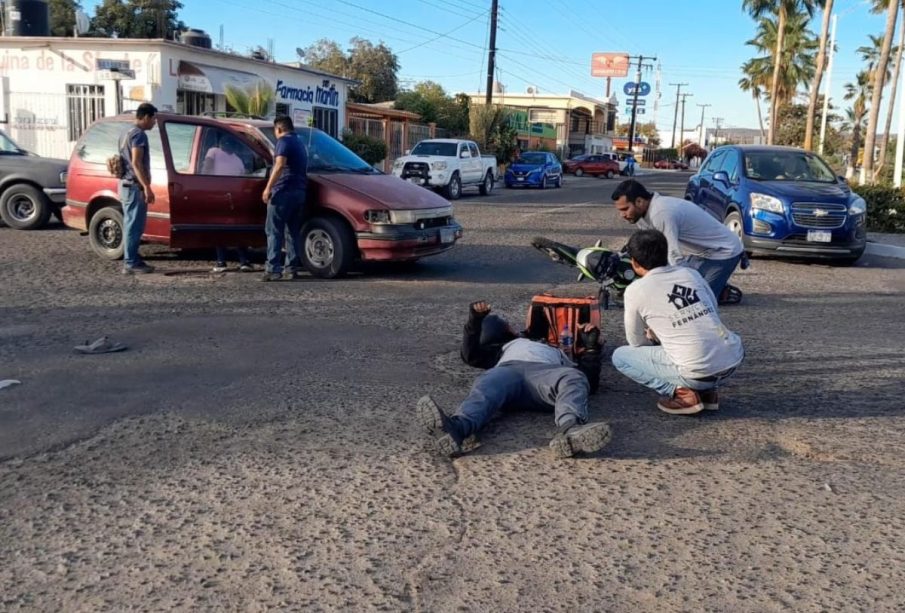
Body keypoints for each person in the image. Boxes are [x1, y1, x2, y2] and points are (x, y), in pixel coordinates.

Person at [416, 301, 612, 459]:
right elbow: (470, 354)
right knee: (486, 385)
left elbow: (588, 382)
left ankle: (570, 429)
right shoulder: (502, 349)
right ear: (506, 331)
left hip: (545, 377)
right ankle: (456, 429)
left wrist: (591, 349)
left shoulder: (557, 350)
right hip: (507, 374)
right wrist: (475, 321)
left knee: (574, 377)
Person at [611, 229, 744, 415]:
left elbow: (636, 342)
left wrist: (655, 337)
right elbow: (712, 308)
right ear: (665, 253)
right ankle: (707, 393)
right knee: (688, 343)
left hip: (698, 371)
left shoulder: (636, 290)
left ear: (634, 262)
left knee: (621, 357)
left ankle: (682, 393)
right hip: (732, 359)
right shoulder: (690, 274)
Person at [611, 179, 745, 304]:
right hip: (701, 253)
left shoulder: (660, 212)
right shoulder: (640, 216)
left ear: (639, 201)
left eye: (625, 209)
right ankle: (713, 283)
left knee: (693, 301)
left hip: (724, 250)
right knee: (677, 288)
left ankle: (720, 290)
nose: (622, 215)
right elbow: (649, 251)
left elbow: (673, 255)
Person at [261, 115, 308, 282]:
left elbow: (280, 164)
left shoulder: (283, 142)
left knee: (273, 231)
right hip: (299, 192)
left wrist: (268, 188)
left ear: (279, 129)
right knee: (292, 232)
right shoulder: (300, 143)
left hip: (283, 191)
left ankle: (273, 268)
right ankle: (291, 268)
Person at [203, 136, 253, 273]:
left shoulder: (214, 151)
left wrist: (206, 184)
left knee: (221, 228)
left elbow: (207, 168)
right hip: (232, 196)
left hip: (221, 194)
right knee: (235, 229)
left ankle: (222, 262)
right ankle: (243, 261)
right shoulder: (237, 159)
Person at [119, 102, 157, 275]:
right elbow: (136, 162)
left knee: (130, 224)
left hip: (126, 184)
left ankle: (132, 257)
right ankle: (131, 262)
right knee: (134, 225)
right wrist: (146, 187)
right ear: (147, 117)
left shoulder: (126, 133)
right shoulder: (139, 135)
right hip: (134, 186)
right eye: (154, 119)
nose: (154, 123)